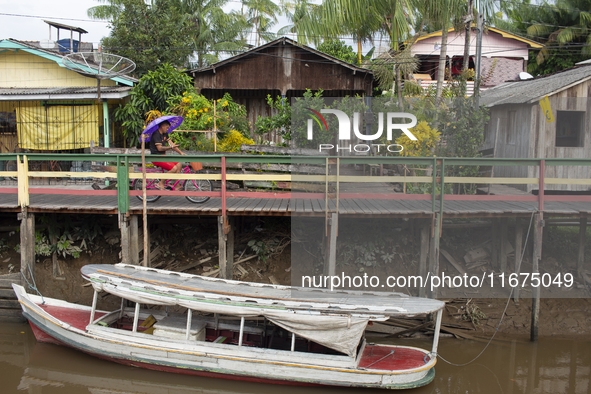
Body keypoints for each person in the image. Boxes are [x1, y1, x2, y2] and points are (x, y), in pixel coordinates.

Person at [150, 120, 186, 190]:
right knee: (174, 168)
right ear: (162, 126)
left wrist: (181, 153)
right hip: (156, 157)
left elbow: (172, 144)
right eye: (167, 127)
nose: (167, 129)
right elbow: (160, 148)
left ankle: (176, 185)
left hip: (163, 156)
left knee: (179, 165)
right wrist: (170, 147)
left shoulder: (165, 134)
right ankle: (160, 183)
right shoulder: (156, 134)